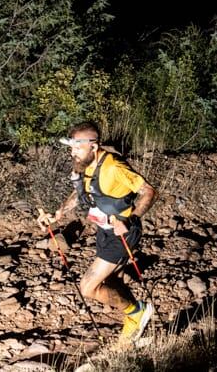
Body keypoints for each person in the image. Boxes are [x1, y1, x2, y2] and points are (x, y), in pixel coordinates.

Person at [37, 121, 158, 343]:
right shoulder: (86, 165)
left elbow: (148, 191)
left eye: (77, 148)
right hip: (104, 232)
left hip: (122, 234)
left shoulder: (113, 167)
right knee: (112, 281)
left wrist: (129, 219)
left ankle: (137, 313)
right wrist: (58, 214)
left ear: (93, 146)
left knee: (88, 287)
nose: (72, 153)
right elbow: (81, 193)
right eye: (71, 148)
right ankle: (137, 331)